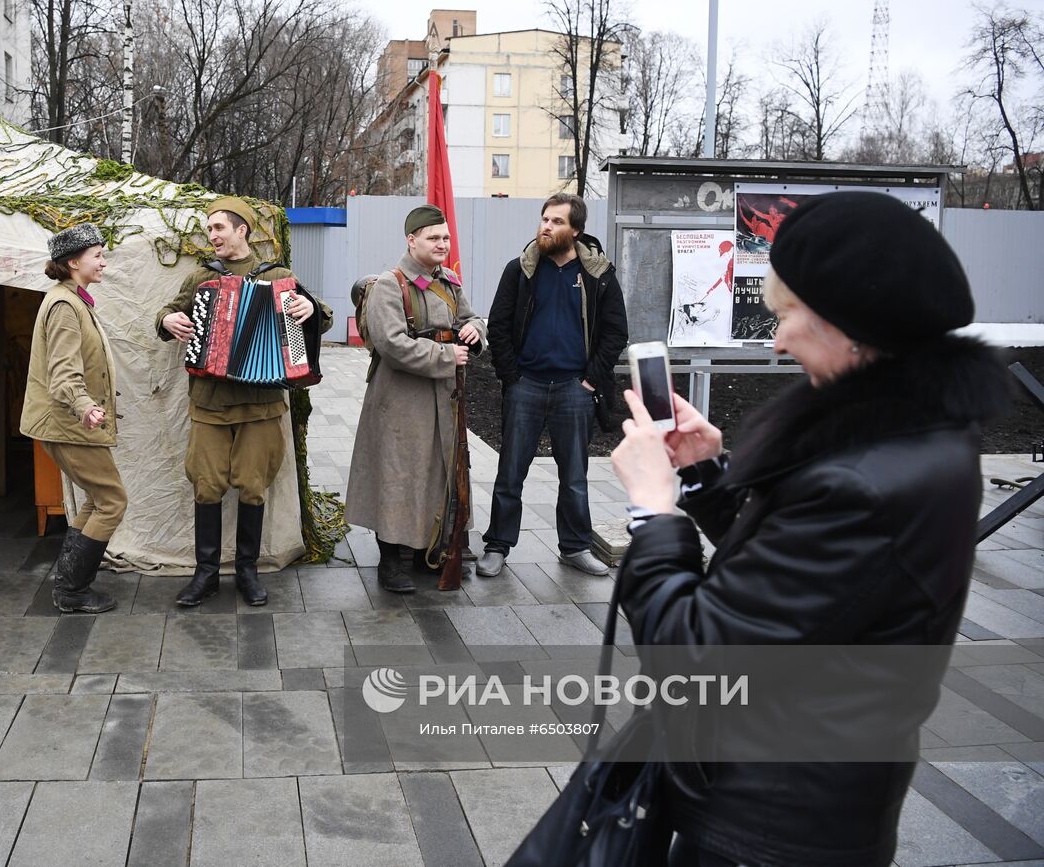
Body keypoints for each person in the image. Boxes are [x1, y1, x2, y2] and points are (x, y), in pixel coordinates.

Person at [610, 192, 1012, 867]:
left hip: (772, 828)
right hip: (798, 800)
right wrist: (707, 475)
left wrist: (655, 514)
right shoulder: (906, 438)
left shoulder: (867, 482)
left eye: (790, 313)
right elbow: (794, 582)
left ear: (850, 326)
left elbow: (698, 657)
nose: (777, 338)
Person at [157, 197, 330, 607]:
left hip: (261, 403)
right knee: (206, 484)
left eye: (219, 227)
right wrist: (167, 320)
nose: (212, 235)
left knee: (253, 486)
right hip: (210, 402)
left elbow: (319, 316)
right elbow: (169, 311)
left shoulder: (279, 276)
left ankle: (248, 571)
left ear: (242, 231)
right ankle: (206, 574)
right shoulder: (202, 277)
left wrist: (311, 307)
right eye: (209, 228)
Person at [477, 193, 628, 578]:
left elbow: (615, 333)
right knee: (510, 472)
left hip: (574, 390)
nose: (546, 226)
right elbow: (498, 324)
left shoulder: (598, 275)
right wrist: (511, 377)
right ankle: (497, 545)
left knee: (575, 477)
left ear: (575, 229)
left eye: (557, 221)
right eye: (544, 219)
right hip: (526, 385)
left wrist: (590, 379)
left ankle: (575, 547)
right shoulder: (520, 270)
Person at [346, 205, 487, 593]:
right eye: (433, 238)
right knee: (397, 473)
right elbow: (391, 343)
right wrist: (445, 356)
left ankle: (430, 549)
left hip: (443, 394)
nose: (442, 244)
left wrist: (475, 332)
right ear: (412, 241)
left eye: (445, 238)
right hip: (400, 396)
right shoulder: (389, 285)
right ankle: (389, 560)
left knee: (437, 471)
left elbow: (470, 317)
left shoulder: (450, 280)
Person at [21, 223, 125, 614]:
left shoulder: (73, 299)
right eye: (97, 255)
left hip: (70, 424)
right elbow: (63, 375)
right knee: (112, 501)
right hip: (69, 425)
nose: (103, 261)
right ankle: (72, 592)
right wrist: (85, 406)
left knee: (98, 499)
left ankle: (69, 585)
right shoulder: (64, 306)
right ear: (72, 262)